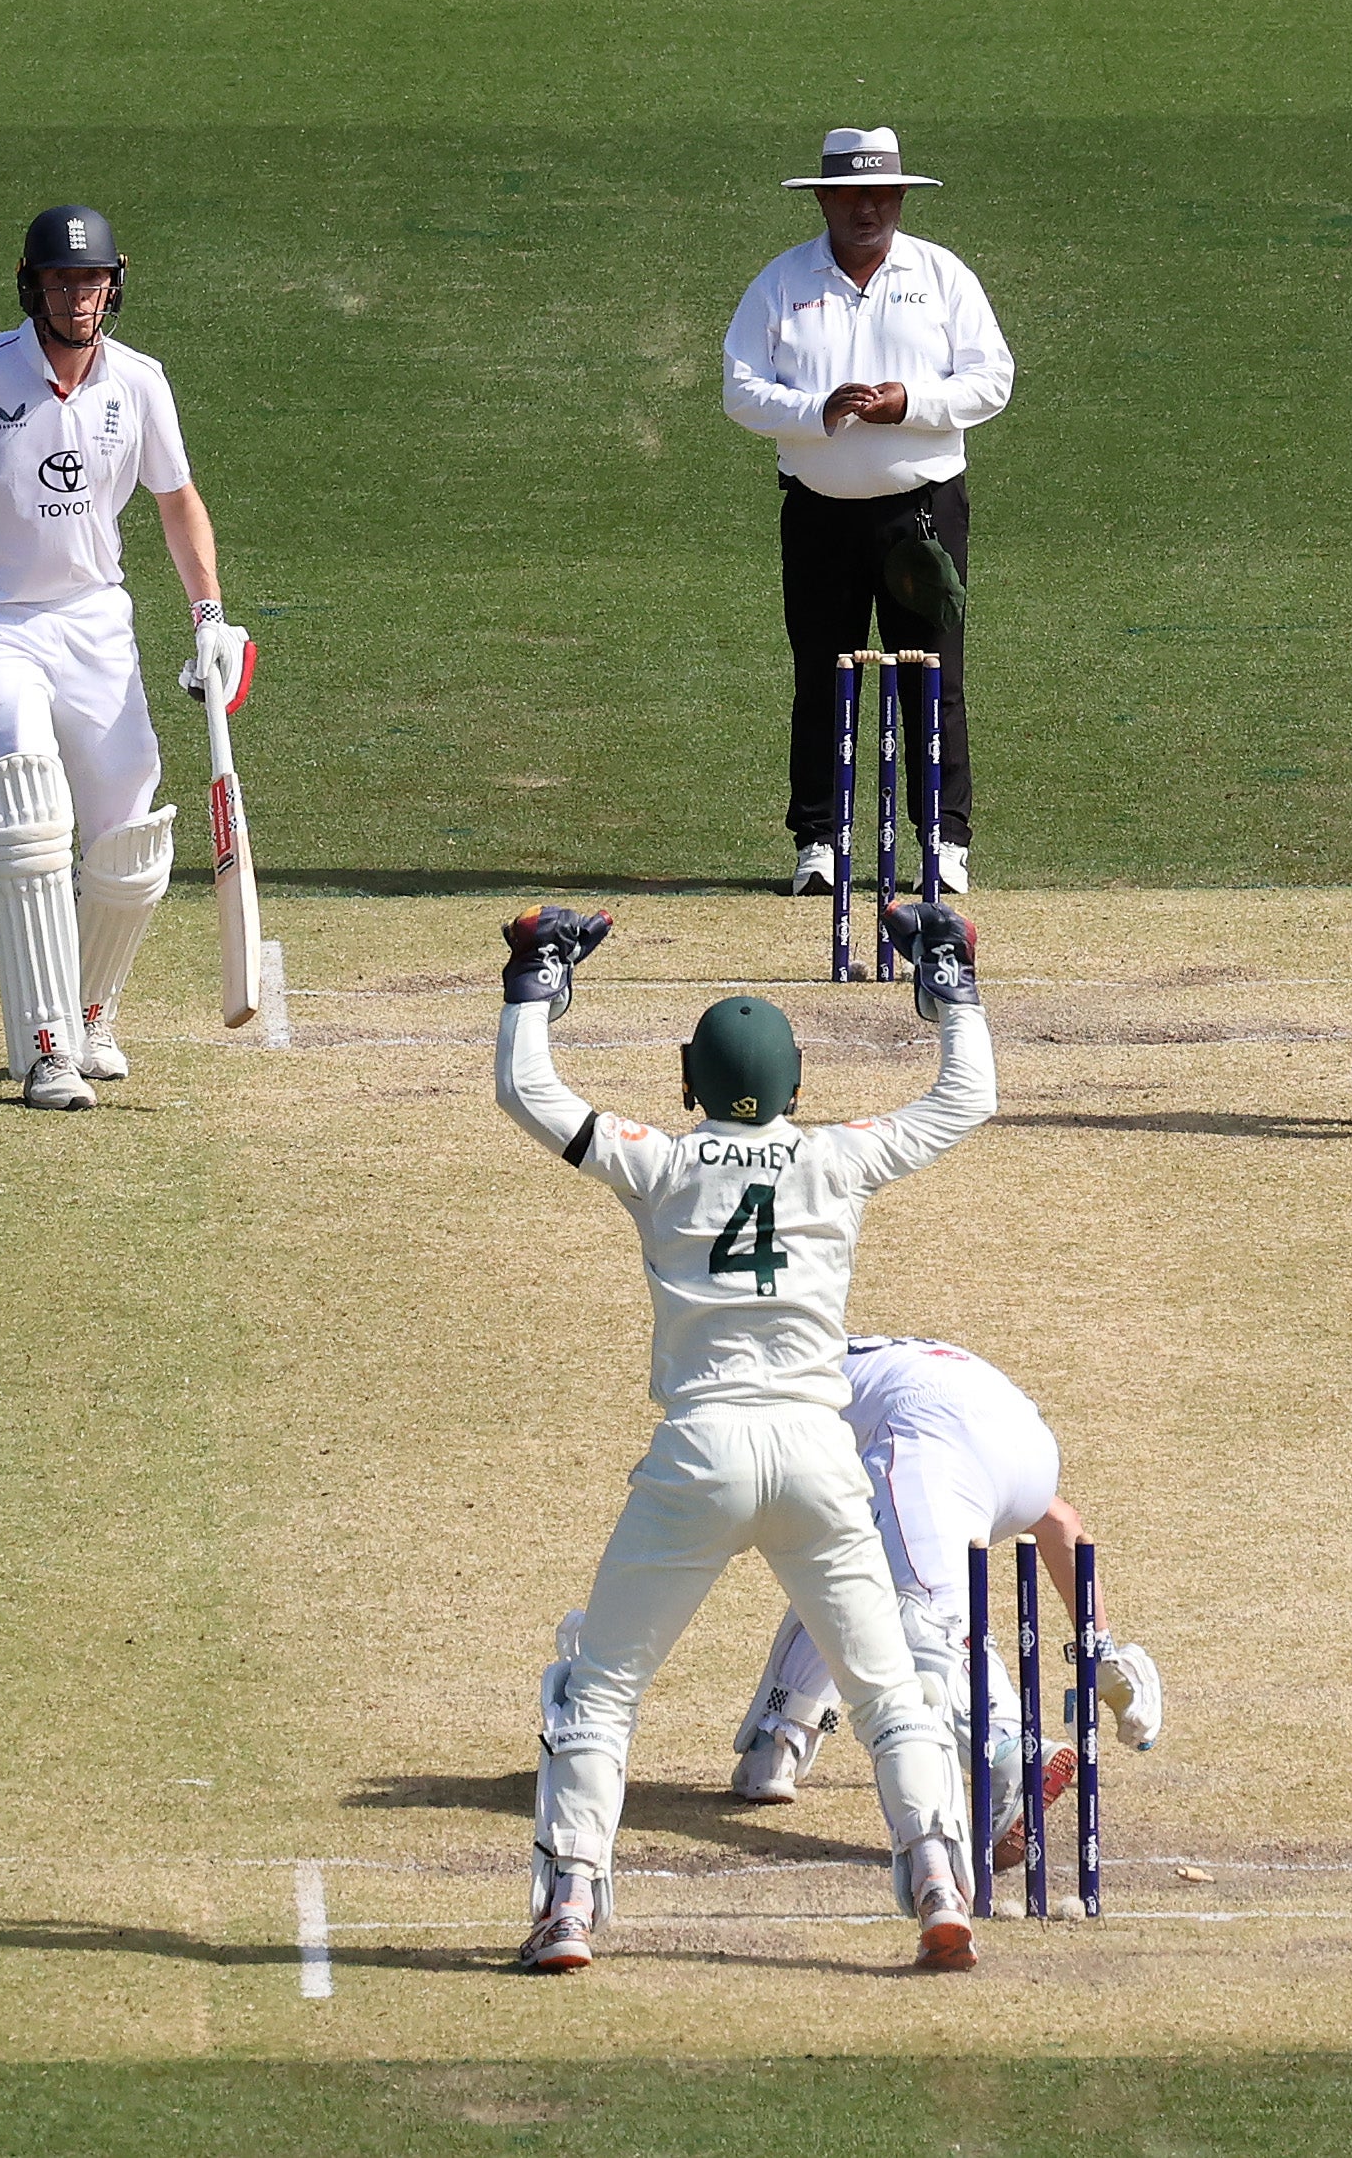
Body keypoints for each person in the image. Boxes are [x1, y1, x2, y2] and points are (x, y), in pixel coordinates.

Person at [493, 897, 994, 1973]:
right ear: (798, 1088)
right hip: (817, 1454)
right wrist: (945, 977)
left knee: (602, 1690)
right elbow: (967, 1096)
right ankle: (939, 1877)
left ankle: (569, 1903)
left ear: (686, 1086)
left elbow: (527, 1091)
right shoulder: (837, 1157)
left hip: (700, 1453)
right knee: (886, 1695)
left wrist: (537, 980)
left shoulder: (661, 1163)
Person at [0, 203, 254, 1111]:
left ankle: (91, 1007)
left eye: (91, 280)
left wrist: (209, 618)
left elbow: (178, 502)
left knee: (129, 833)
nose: (77, 297)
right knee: (29, 804)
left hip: (94, 621)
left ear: (115, 283)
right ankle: (47, 1047)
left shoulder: (139, 384)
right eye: (61, 282)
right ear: (32, 286)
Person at [727, 1334, 1164, 1876]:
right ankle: (778, 1738)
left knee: (925, 1614)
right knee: (852, 1566)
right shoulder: (856, 1358)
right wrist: (1098, 1646)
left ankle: (1009, 1755)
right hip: (1025, 1444)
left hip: (926, 1430)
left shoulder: (770, 1383)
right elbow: (1061, 1522)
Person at [723, 127, 1013, 898]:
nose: (869, 208)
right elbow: (739, 391)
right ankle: (817, 842)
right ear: (823, 199)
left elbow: (992, 381)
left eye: (882, 194)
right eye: (852, 195)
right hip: (819, 516)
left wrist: (908, 404)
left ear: (899, 198)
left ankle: (944, 843)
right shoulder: (782, 283)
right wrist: (815, 409)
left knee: (934, 677)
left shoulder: (941, 275)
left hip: (921, 516)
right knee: (822, 674)